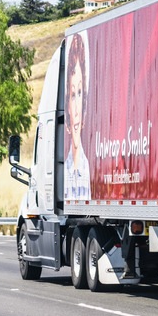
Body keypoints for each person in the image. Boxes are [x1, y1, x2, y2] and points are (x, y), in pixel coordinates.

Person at [64, 33, 91, 200]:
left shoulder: (87, 170)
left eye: (79, 94)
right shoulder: (65, 171)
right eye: (72, 95)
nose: (75, 110)